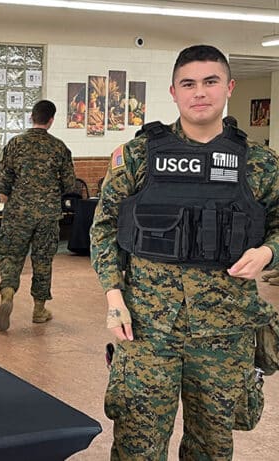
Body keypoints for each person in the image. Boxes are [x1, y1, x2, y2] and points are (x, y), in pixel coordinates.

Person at [90, 44, 279, 459]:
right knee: (137, 443)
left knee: (211, 447)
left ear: (228, 87)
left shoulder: (259, 164)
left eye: (210, 82)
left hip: (224, 332)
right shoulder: (138, 156)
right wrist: (113, 295)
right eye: (188, 83)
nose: (200, 92)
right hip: (145, 327)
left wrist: (267, 252)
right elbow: (103, 228)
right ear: (173, 92)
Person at [0, 100, 75, 331]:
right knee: (43, 261)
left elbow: (2, 178)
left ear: (32, 117)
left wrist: (10, 197)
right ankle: (39, 310)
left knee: (11, 255)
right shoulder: (59, 147)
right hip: (48, 215)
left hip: (18, 212)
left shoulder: (15, 143)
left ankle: (7, 294)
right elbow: (70, 183)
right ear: (51, 120)